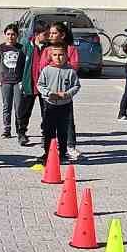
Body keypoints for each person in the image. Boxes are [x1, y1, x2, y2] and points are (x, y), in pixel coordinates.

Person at [37, 41, 80, 164]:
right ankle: (47, 153)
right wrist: (48, 93)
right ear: (51, 56)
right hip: (50, 104)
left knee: (63, 131)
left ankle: (62, 153)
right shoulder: (47, 70)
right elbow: (40, 84)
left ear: (66, 56)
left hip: (64, 105)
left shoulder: (70, 71)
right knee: (48, 130)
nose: (58, 57)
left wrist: (66, 94)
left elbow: (76, 86)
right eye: (55, 55)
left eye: (61, 55)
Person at [49, 21, 80, 161]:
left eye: (54, 33)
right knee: (49, 121)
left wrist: (62, 67)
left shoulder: (71, 49)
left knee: (68, 120)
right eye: (50, 33)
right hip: (50, 93)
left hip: (65, 93)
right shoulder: (47, 49)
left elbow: (74, 66)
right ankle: (50, 147)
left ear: (62, 35)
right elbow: (43, 65)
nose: (51, 36)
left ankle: (70, 146)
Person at [16, 19, 49, 145]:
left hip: (44, 87)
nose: (47, 37)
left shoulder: (48, 48)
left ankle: (45, 134)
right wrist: (20, 82)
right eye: (44, 34)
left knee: (46, 112)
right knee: (24, 111)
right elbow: (19, 65)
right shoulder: (26, 46)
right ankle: (22, 133)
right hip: (29, 84)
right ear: (36, 34)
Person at [0, 22, 25, 138]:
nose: (10, 37)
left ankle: (20, 129)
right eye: (8, 34)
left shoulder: (21, 48)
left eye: (13, 34)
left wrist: (23, 81)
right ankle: (6, 129)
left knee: (19, 106)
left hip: (18, 81)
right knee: (6, 105)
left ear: (17, 35)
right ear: (5, 35)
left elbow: (24, 66)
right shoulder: (1, 48)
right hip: (5, 80)